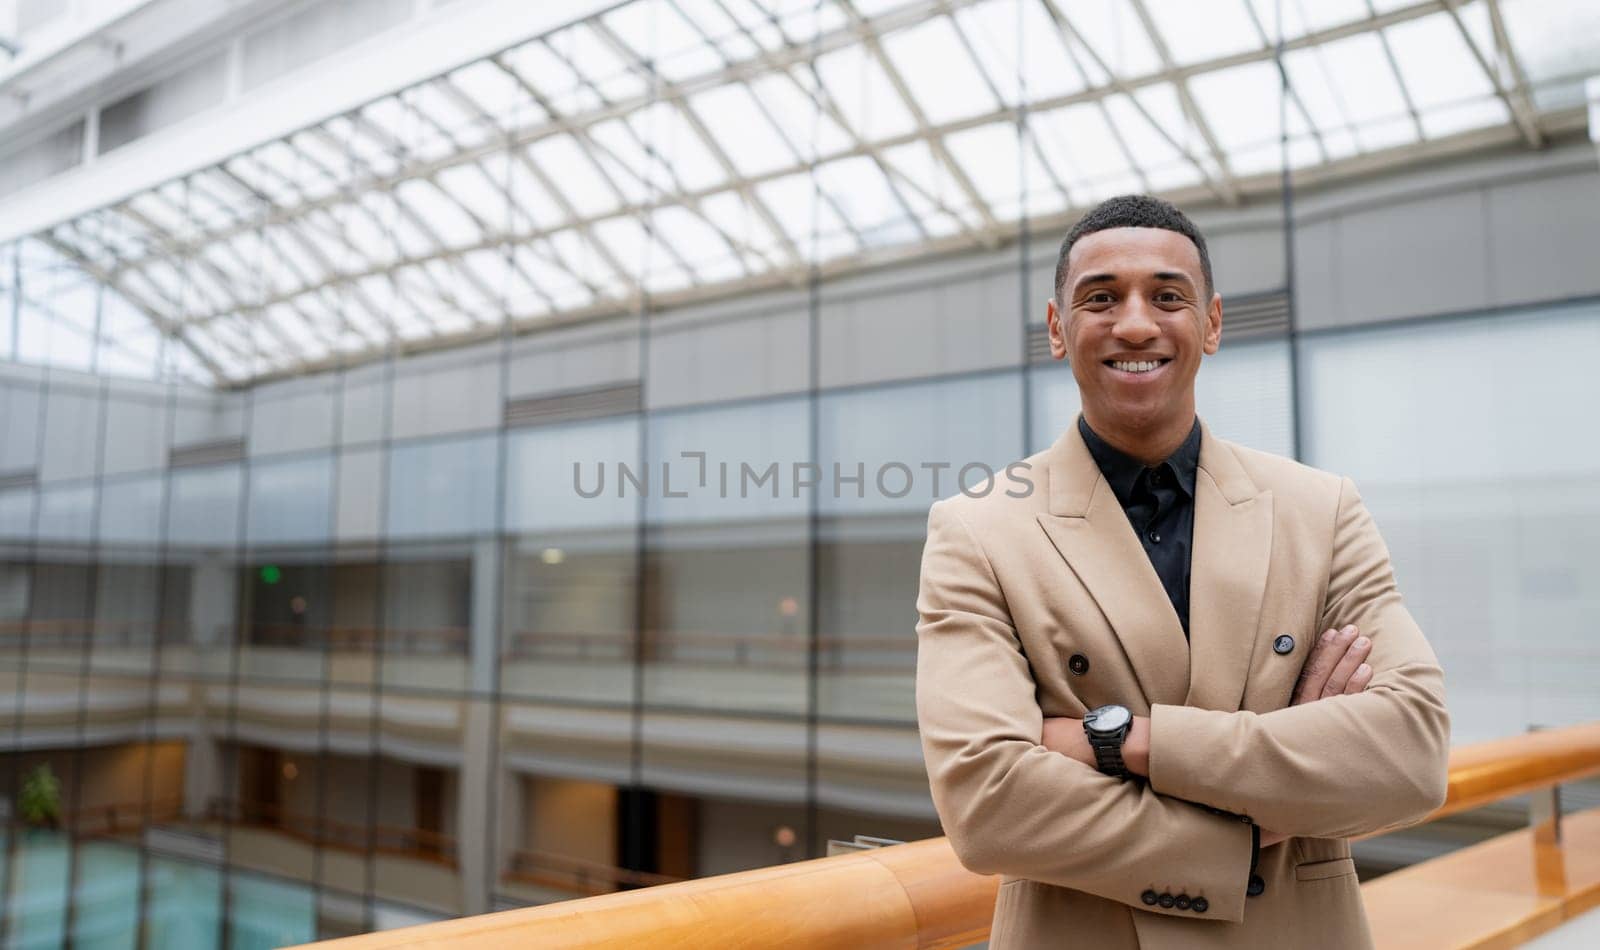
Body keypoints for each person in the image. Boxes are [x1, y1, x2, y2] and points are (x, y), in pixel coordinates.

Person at [914, 195, 1449, 949]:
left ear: (1212, 323)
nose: (1135, 323)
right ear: (1059, 330)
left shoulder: (1318, 509)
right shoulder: (977, 528)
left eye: (1168, 296)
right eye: (1101, 299)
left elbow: (1413, 753)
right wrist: (1268, 798)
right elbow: (986, 803)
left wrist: (1123, 741)